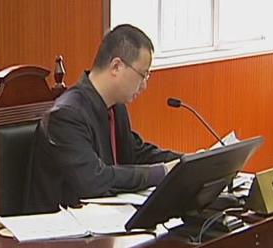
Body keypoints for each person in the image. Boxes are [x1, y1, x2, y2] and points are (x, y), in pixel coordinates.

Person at [26, 24, 181, 213]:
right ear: (116, 66)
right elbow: (94, 179)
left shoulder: (116, 106)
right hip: (63, 224)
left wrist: (187, 161)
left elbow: (136, 153)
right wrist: (161, 172)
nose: (144, 86)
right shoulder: (66, 115)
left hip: (105, 217)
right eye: (143, 75)